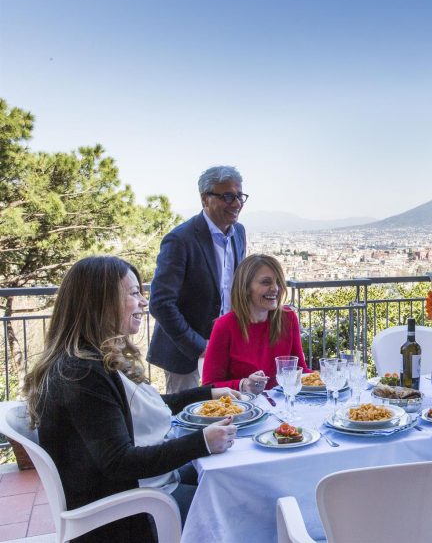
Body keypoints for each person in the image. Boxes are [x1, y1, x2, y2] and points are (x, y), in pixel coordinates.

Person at [23, 256, 239, 543]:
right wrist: (201, 442)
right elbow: (119, 462)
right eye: (134, 293)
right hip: (128, 515)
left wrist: (206, 393)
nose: (143, 302)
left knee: (227, 478)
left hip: (137, 492)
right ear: (101, 301)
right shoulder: (81, 374)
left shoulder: (90, 360)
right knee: (234, 505)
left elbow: (135, 406)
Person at [147, 165, 248, 393]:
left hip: (226, 345)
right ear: (205, 199)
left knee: (231, 412)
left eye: (240, 196)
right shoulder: (180, 239)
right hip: (185, 353)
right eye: (228, 196)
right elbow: (161, 303)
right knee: (188, 417)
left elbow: (236, 288)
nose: (237, 203)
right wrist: (200, 346)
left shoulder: (239, 232)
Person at [202, 254, 312, 392]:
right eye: (266, 282)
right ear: (246, 288)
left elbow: (301, 372)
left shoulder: (288, 318)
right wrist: (243, 384)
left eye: (278, 282)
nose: (275, 288)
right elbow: (209, 386)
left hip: (283, 406)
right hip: (242, 408)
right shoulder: (224, 326)